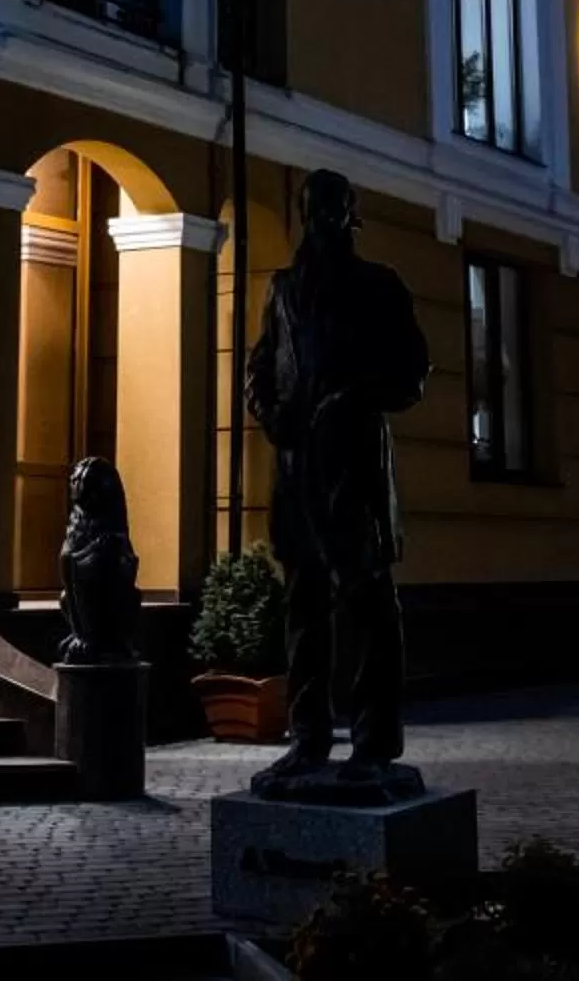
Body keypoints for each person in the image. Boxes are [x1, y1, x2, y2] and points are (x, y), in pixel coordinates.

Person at [246, 169, 429, 785]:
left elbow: (412, 373)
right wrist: (271, 413)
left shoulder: (380, 286)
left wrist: (353, 398)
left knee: (369, 604)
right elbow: (261, 367)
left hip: (354, 467)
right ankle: (307, 739)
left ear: (350, 214)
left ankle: (375, 743)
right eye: (314, 207)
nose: (323, 218)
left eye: (333, 208)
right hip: (298, 469)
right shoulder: (283, 289)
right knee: (304, 607)